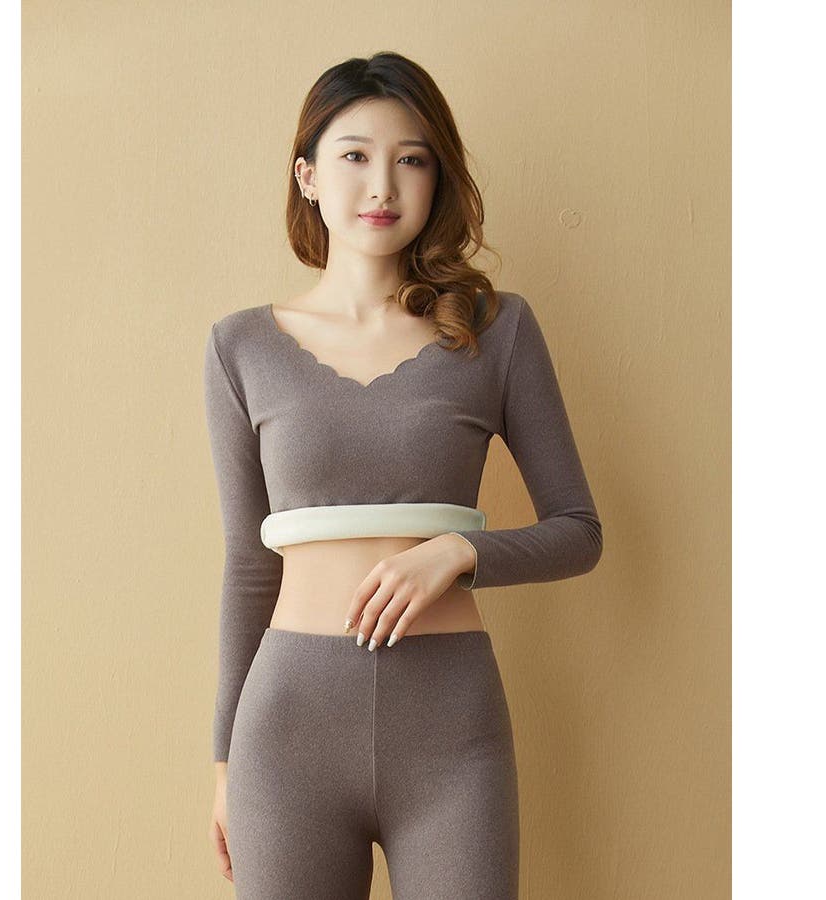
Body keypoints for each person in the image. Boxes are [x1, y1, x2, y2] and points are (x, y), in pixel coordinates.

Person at [204, 51, 602, 899]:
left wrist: (457, 552)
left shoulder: (495, 330)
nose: (382, 184)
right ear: (308, 176)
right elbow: (247, 564)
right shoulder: (240, 347)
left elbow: (579, 531)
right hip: (287, 732)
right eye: (354, 155)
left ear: (436, 178)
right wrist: (225, 764)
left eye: (412, 159)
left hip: (452, 728)